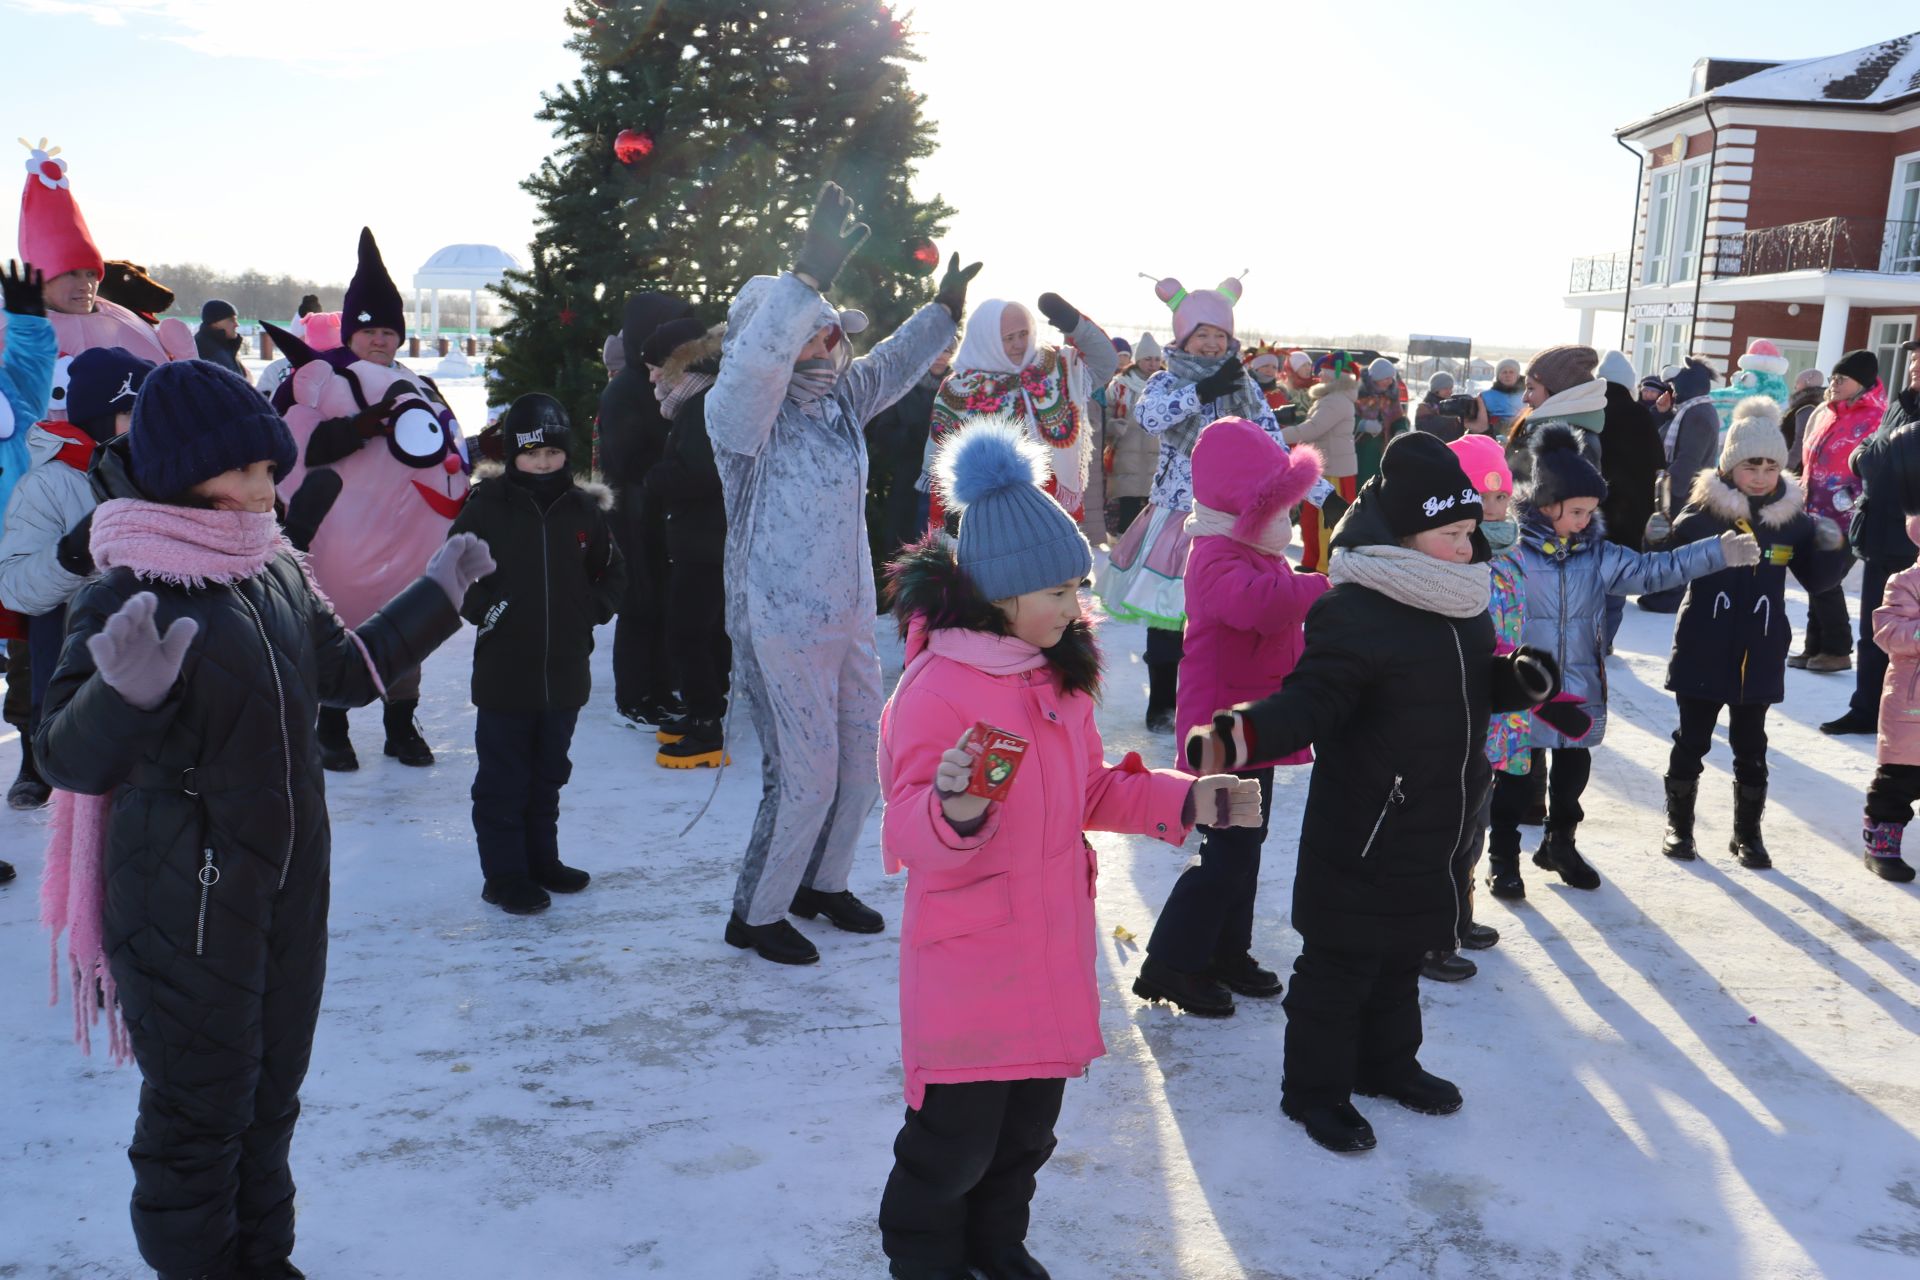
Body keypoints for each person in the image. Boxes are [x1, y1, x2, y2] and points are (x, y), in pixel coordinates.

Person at [35, 358, 491, 1280]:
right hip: (182, 903)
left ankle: (262, 1260)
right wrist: (120, 697)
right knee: (200, 1113)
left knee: (272, 1099)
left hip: (286, 886)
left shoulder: (274, 569)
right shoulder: (126, 591)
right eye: (243, 471)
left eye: (265, 468)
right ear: (182, 474)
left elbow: (343, 673)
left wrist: (439, 596)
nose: (262, 489)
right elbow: (63, 757)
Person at [875, 416, 1257, 1280]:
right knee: (955, 1145)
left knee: (1026, 1136)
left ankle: (997, 1245)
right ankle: (924, 1260)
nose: (1074, 604)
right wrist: (956, 806)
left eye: (1077, 585)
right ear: (1001, 594)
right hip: (970, 967)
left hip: (1046, 951)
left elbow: (1087, 791)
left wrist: (1187, 799)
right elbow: (905, 832)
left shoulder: (1057, 680)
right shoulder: (937, 688)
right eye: (1056, 591)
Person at [1185, 432, 1567, 1154]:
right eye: (1453, 533)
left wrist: (1514, 681)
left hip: (1435, 819)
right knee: (1339, 968)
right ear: (1406, 536)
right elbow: (1314, 699)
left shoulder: (1461, 604)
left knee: (1402, 958)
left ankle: (1387, 1064)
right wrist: (1245, 735)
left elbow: (1465, 683)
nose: (1468, 546)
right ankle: (1314, 1092)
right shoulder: (1355, 610)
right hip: (1364, 829)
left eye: (1470, 532)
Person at [705, 182, 975, 966]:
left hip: (850, 614)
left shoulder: (837, 406)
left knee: (863, 767)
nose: (829, 350)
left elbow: (891, 363)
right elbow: (751, 371)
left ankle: (822, 882)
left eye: (831, 337)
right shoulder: (744, 424)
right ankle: (756, 914)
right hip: (779, 623)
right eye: (815, 338)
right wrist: (806, 279)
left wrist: (944, 313)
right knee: (807, 777)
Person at [1487, 426, 1753, 897]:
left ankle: (1559, 845)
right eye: (1576, 512)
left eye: (1591, 512)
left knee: (1572, 776)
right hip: (1524, 686)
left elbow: (1653, 572)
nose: (1586, 520)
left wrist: (1715, 551)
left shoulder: (1599, 555)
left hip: (1578, 685)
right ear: (1546, 506)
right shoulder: (1513, 556)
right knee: (1515, 780)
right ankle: (1503, 857)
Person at [1134, 419, 1327, 1017]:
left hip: (1251, 731)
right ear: (1244, 505)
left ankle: (1226, 950)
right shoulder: (1216, 554)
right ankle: (1172, 962)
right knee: (1227, 852)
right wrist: (1321, 587)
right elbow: (1259, 607)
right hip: (1219, 736)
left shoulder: (1254, 549)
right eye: (1277, 507)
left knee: (1247, 844)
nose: (1287, 520)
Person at [265, 228, 470, 771]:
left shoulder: (419, 382)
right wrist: (357, 428)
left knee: (406, 622)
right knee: (339, 622)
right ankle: (331, 726)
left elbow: (445, 442)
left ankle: (400, 726)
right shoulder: (317, 377)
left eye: (389, 331)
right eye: (370, 330)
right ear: (351, 333)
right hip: (339, 530)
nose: (381, 340)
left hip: (407, 531)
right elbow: (292, 444)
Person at [1102, 275, 1318, 732]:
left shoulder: (1245, 385)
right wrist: (1202, 391)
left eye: (1220, 336)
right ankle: (1161, 700)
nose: (1211, 343)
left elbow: (1274, 445)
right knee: (1168, 612)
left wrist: (1315, 492)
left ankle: (1213, 698)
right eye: (1202, 334)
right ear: (1184, 338)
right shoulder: (1164, 381)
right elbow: (1150, 416)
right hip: (1177, 517)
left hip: (1232, 521)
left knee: (1222, 614)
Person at [449, 394, 625, 915]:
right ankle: (504, 876)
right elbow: (453, 571)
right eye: (531, 455)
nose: (543, 464)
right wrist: (490, 612)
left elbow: (612, 570)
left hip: (565, 669)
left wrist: (591, 609)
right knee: (505, 778)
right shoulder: (487, 509)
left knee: (549, 773)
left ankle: (541, 860)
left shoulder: (583, 511)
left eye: (552, 454)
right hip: (506, 672)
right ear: (512, 456)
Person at [1659, 399, 1841, 870]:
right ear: (1729, 466)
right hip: (1703, 643)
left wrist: (1838, 548)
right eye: (1749, 465)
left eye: (1770, 466)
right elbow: (1669, 560)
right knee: (1692, 740)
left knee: (1751, 746)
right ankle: (1679, 824)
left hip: (1758, 649)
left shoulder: (1791, 521)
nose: (1760, 476)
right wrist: (1662, 534)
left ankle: (1748, 834)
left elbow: (1817, 581)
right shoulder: (1703, 512)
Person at [0, 346, 151, 814]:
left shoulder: (161, 474)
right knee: (74, 748)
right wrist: (72, 553)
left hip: (147, 647)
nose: (145, 422)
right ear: (99, 416)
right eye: (131, 411)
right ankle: (37, 764)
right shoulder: (49, 484)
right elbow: (16, 586)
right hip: (70, 647)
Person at [1436, 434, 1523, 983]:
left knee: (1475, 825)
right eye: (1480, 496)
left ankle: (1461, 914)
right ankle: (1433, 932)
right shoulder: (1453, 556)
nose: (1493, 509)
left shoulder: (1509, 552)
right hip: (1459, 710)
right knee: (1446, 828)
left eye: (1501, 498)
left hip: (1496, 709)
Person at [926, 293, 1116, 528]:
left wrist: (1074, 324)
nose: (1018, 344)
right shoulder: (959, 388)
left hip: (1050, 508)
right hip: (989, 516)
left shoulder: (1053, 367)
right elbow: (941, 459)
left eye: (1023, 334)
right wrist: (943, 526)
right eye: (1008, 338)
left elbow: (1105, 363)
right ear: (987, 339)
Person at [598, 289, 697, 731]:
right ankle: (636, 694)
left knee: (665, 603)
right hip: (635, 515)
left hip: (664, 512)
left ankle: (662, 687)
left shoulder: (669, 379)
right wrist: (669, 473)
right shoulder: (626, 389)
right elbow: (625, 459)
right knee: (640, 605)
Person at [641, 316, 733, 767]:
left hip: (705, 541)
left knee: (689, 634)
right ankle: (706, 710)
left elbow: (698, 474)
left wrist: (653, 477)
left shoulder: (700, 408)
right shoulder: (696, 403)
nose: (653, 376)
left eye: (659, 365)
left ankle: (705, 726)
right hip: (704, 538)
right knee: (702, 632)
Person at [1829, 340, 1920, 737]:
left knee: (1907, 639)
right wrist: (1865, 456)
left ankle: (1902, 719)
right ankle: (1866, 708)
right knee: (1873, 630)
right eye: (1915, 358)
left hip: (1913, 546)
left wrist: (1877, 454)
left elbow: (1888, 454)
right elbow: (1871, 449)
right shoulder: (1901, 404)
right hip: (1879, 536)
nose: (1915, 365)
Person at [0, 259, 58, 823]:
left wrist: (25, 317)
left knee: (29, 664)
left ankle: (35, 759)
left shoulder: (10, 388)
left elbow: (33, 359)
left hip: (17, 552)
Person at [1793, 350, 1886, 674]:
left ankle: (1837, 648)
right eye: (1832, 378)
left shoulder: (1875, 418)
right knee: (1814, 576)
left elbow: (1875, 468)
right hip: (1814, 511)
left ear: (1860, 383)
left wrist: (1848, 500)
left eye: (1840, 379)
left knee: (1826, 579)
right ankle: (1814, 646)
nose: (1832, 384)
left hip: (1847, 518)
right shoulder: (1829, 412)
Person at [1861, 482, 1920, 882]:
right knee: (1899, 781)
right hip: (1912, 706)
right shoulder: (1906, 582)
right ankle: (1881, 843)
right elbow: (1887, 629)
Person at [1640, 357, 1721, 613]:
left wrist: (1666, 495)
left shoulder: (1697, 414)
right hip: (1679, 488)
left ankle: (1667, 597)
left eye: (1674, 387)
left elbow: (1688, 458)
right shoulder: (1689, 411)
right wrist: (1662, 413)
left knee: (1673, 543)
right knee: (1667, 543)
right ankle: (1661, 594)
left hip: (1681, 492)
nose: (1670, 392)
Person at [1596, 349, 1666, 649]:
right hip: (1631, 510)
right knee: (1616, 577)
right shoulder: (1640, 414)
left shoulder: (1590, 411)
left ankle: (1586, 638)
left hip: (1593, 509)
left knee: (1587, 576)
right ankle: (1606, 638)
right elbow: (1658, 460)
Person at [869, 335, 951, 563]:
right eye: (937, 349)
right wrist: (914, 435)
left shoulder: (959, 388)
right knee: (901, 555)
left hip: (946, 487)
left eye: (947, 350)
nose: (940, 356)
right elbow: (882, 433)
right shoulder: (904, 387)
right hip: (907, 486)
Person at [1284, 353, 1361, 573]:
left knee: (1326, 522)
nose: (1317, 376)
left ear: (1332, 376)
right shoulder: (1333, 398)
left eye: (1322, 372)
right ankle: (1313, 561)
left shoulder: (1336, 400)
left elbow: (1312, 428)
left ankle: (1325, 566)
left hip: (1334, 470)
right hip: (1326, 467)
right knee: (1312, 520)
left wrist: (1276, 435)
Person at [1102, 331, 1162, 538]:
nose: (1153, 364)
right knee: (1128, 505)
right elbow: (1107, 412)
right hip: (1126, 454)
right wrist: (1111, 425)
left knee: (1152, 506)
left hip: (1157, 454)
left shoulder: (1167, 384)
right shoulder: (1121, 385)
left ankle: (1147, 549)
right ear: (1138, 360)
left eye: (1156, 359)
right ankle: (1122, 546)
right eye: (1148, 359)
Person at [1353, 356, 1409, 489]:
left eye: (1391, 378)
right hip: (1362, 451)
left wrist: (1400, 429)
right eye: (1386, 378)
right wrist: (1363, 424)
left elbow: (1399, 418)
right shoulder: (1358, 395)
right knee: (1362, 486)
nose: (1390, 382)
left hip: (1383, 450)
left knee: (1380, 486)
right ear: (1376, 377)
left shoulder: (1391, 397)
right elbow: (1346, 419)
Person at [1784, 367, 1826, 470]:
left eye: (1797, 382)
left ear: (1807, 382)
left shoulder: (1806, 407)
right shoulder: (1817, 405)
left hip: (1797, 467)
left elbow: (1801, 440)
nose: (1795, 386)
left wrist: (1788, 466)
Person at [195, 299, 246, 376]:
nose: (237, 324)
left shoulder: (225, 347)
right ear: (214, 323)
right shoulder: (205, 350)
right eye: (231, 320)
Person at [1480, 358, 1526, 433]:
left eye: (1511, 372)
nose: (1508, 375)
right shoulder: (1486, 396)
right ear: (1498, 376)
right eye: (1504, 372)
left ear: (1517, 375)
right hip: (1493, 434)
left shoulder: (1527, 394)